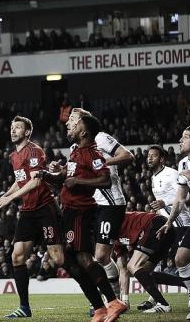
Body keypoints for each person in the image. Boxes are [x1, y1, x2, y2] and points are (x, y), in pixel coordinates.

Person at [39, 115, 127, 322]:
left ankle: (113, 302)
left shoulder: (92, 152)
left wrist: (77, 180)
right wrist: (45, 175)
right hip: (69, 212)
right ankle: (99, 308)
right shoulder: (76, 152)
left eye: (75, 124)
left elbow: (105, 179)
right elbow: (66, 180)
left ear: (84, 132)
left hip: (81, 212)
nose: (70, 126)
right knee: (68, 261)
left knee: (84, 258)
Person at [0, 116, 64, 318]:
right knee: (16, 256)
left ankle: (95, 296)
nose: (13, 130)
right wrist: (5, 195)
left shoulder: (34, 151)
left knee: (59, 259)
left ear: (27, 132)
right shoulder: (13, 156)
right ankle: (24, 307)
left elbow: (35, 182)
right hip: (28, 210)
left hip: (45, 208)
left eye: (18, 128)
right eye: (12, 127)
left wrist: (10, 200)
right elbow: (20, 181)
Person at [65, 108, 134, 305]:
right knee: (93, 256)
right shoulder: (74, 149)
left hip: (110, 203)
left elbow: (127, 155)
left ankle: (113, 298)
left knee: (102, 256)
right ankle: (112, 298)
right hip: (90, 206)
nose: (68, 122)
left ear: (83, 123)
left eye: (72, 119)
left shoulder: (101, 138)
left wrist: (100, 163)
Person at [136, 145, 190, 311]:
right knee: (154, 262)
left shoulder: (172, 173)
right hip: (165, 225)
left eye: (154, 156)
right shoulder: (153, 177)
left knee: (186, 259)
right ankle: (154, 299)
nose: (150, 158)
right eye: (149, 155)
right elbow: (162, 201)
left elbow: (184, 196)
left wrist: (165, 203)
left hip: (180, 222)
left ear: (162, 158)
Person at [157, 125, 190, 320]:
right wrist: (169, 222)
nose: (180, 140)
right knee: (180, 258)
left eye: (185, 137)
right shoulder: (182, 164)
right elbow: (180, 199)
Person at [114, 211, 176, 313]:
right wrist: (125, 300)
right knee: (145, 273)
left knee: (133, 265)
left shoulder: (118, 223)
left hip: (155, 224)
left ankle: (163, 304)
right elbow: (122, 269)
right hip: (166, 228)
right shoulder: (115, 240)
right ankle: (188, 283)